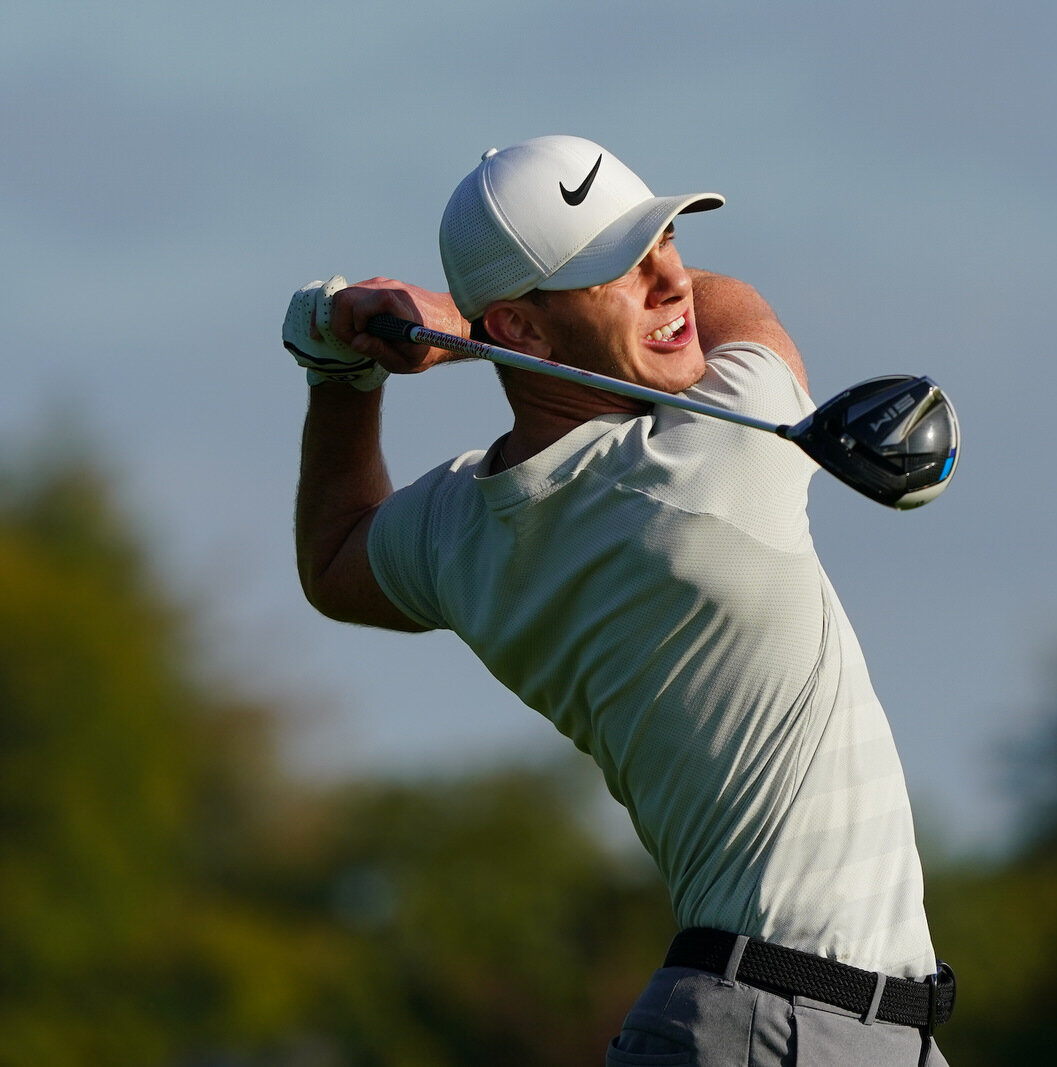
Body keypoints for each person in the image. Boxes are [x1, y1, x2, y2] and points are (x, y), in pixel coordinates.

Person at [283, 134, 954, 1066]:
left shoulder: (458, 528)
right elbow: (741, 310)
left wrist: (340, 367)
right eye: (623, 267)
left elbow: (334, 554)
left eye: (665, 242)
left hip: (775, 1022)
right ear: (520, 327)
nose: (672, 279)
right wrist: (469, 330)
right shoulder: (713, 462)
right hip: (787, 1028)